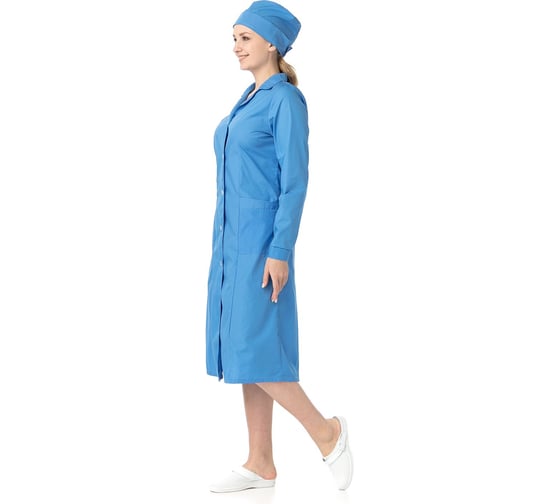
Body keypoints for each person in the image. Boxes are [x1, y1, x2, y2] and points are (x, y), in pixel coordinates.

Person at [205, 0, 353, 493]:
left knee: (257, 348)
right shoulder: (246, 100)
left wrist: (280, 249)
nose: (236, 46)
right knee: (244, 351)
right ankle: (261, 462)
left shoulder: (284, 100)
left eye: (245, 37)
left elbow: (295, 182)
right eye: (234, 38)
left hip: (262, 244)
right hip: (231, 243)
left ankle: (327, 433)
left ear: (272, 42)